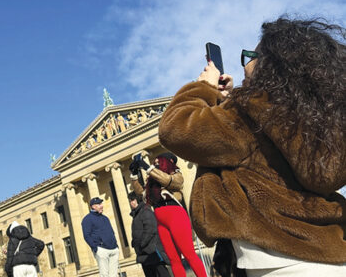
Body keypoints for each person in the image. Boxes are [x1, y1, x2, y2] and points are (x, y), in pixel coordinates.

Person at [158, 18, 346, 276]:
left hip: (276, 259)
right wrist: (231, 99)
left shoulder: (249, 111)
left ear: (272, 64)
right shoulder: (317, 116)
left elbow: (176, 128)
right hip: (329, 253)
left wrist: (204, 87)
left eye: (251, 56)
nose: (245, 62)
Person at [130, 153, 207, 277]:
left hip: (175, 215)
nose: (155, 164)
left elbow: (167, 181)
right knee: (173, 259)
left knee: (189, 254)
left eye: (158, 161)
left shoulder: (176, 174)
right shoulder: (154, 182)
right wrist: (134, 175)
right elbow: (141, 193)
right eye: (154, 162)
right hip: (160, 220)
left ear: (169, 161)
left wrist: (148, 168)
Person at [128, 191, 170, 277]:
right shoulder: (137, 214)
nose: (131, 203)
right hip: (144, 254)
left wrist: (142, 244)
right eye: (130, 201)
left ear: (137, 200)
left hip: (152, 252)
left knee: (162, 273)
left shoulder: (145, 211)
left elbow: (150, 229)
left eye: (132, 200)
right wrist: (135, 243)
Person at [81, 197, 119, 277]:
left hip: (113, 249)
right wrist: (96, 248)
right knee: (104, 275)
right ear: (93, 206)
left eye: (101, 204)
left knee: (114, 275)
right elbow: (86, 236)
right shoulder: (87, 219)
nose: (102, 206)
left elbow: (112, 232)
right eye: (99, 204)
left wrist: (116, 246)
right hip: (101, 250)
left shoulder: (105, 218)